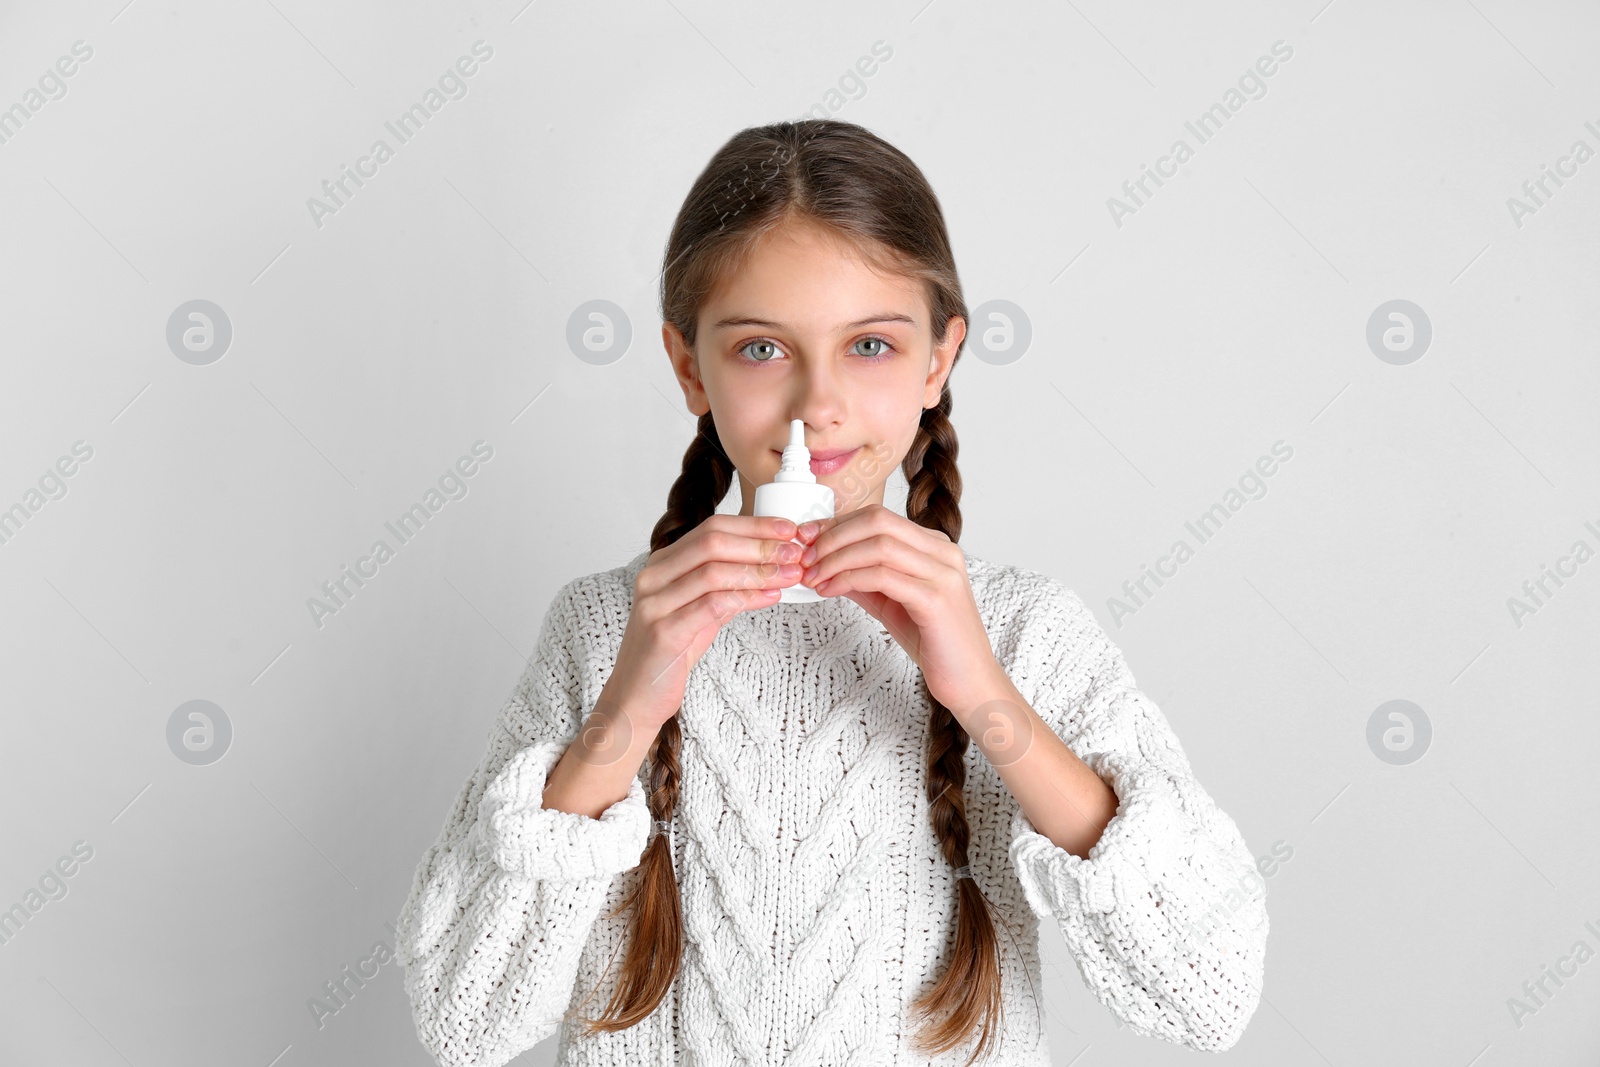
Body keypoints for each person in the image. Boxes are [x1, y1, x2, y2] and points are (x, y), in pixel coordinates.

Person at [395, 118, 1268, 1067]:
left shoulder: (1026, 631)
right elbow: (463, 1019)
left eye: (872, 346)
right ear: (690, 366)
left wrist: (982, 693)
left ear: (939, 360)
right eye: (762, 349)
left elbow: (1207, 989)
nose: (818, 403)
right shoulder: (606, 627)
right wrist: (628, 708)